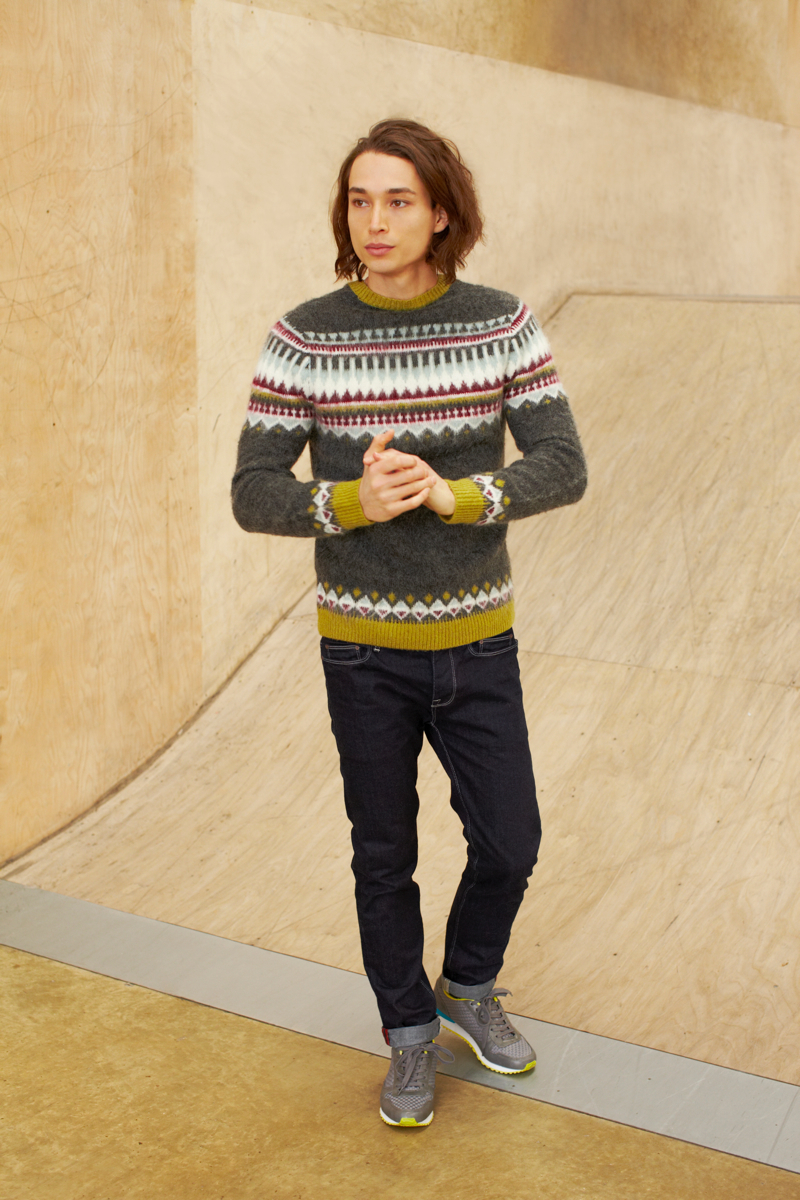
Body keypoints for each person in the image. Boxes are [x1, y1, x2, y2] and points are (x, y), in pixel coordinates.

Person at [231, 118, 587, 1127]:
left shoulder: (500, 323)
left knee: (509, 840)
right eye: (359, 200)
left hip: (477, 639)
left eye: (397, 201)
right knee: (382, 857)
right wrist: (350, 501)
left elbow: (563, 464)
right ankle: (408, 1034)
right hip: (361, 650)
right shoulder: (303, 337)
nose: (375, 220)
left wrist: (454, 495)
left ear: (440, 213)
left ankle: (467, 985)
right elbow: (253, 490)